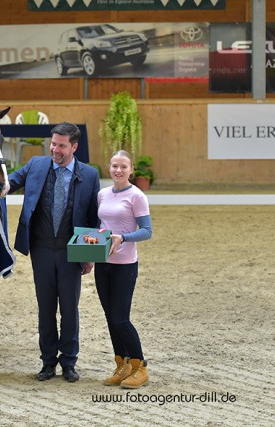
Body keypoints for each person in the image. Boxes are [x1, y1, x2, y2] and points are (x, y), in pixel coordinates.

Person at [7, 122, 100, 382]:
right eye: (53, 143)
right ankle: (48, 362)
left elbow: (94, 218)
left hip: (72, 252)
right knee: (45, 308)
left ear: (74, 147)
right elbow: (8, 183)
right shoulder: (36, 164)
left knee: (70, 309)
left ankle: (69, 363)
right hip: (42, 249)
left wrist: (89, 256)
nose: (55, 149)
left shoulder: (90, 175)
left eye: (61, 145)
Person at [94, 150, 152, 389]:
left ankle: (140, 367)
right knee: (110, 318)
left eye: (123, 167)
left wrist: (123, 237)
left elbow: (147, 231)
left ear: (131, 170)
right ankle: (122, 364)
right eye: (114, 166)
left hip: (125, 266)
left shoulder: (137, 196)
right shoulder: (102, 194)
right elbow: (103, 225)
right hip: (102, 264)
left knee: (120, 319)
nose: (118, 170)